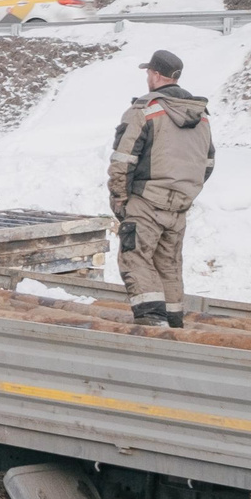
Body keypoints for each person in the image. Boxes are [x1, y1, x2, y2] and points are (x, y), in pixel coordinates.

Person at [106, 48, 214, 326]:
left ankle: (152, 321)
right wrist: (183, 192)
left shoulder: (145, 110)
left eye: (148, 72)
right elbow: (208, 162)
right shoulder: (200, 116)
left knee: (135, 257)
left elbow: (123, 159)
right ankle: (174, 322)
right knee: (168, 264)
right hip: (179, 204)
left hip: (146, 200)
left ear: (155, 74)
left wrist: (119, 198)